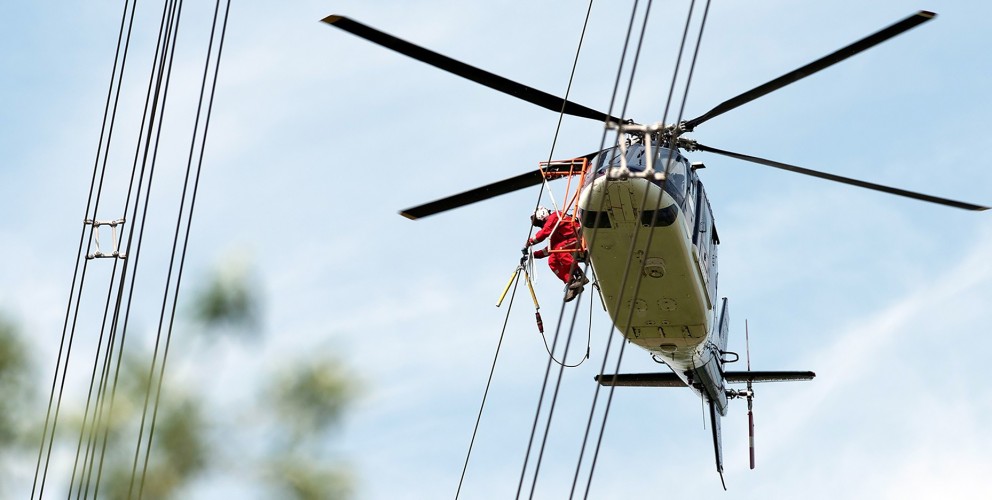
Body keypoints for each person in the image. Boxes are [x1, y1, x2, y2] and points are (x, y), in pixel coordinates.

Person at [523, 206, 589, 302]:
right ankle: (572, 283)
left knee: (559, 249)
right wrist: (533, 255)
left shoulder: (554, 217)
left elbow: (544, 232)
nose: (542, 225)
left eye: (540, 223)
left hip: (579, 238)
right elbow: (549, 249)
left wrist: (528, 243)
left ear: (541, 215)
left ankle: (579, 275)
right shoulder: (554, 230)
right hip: (571, 242)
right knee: (552, 260)